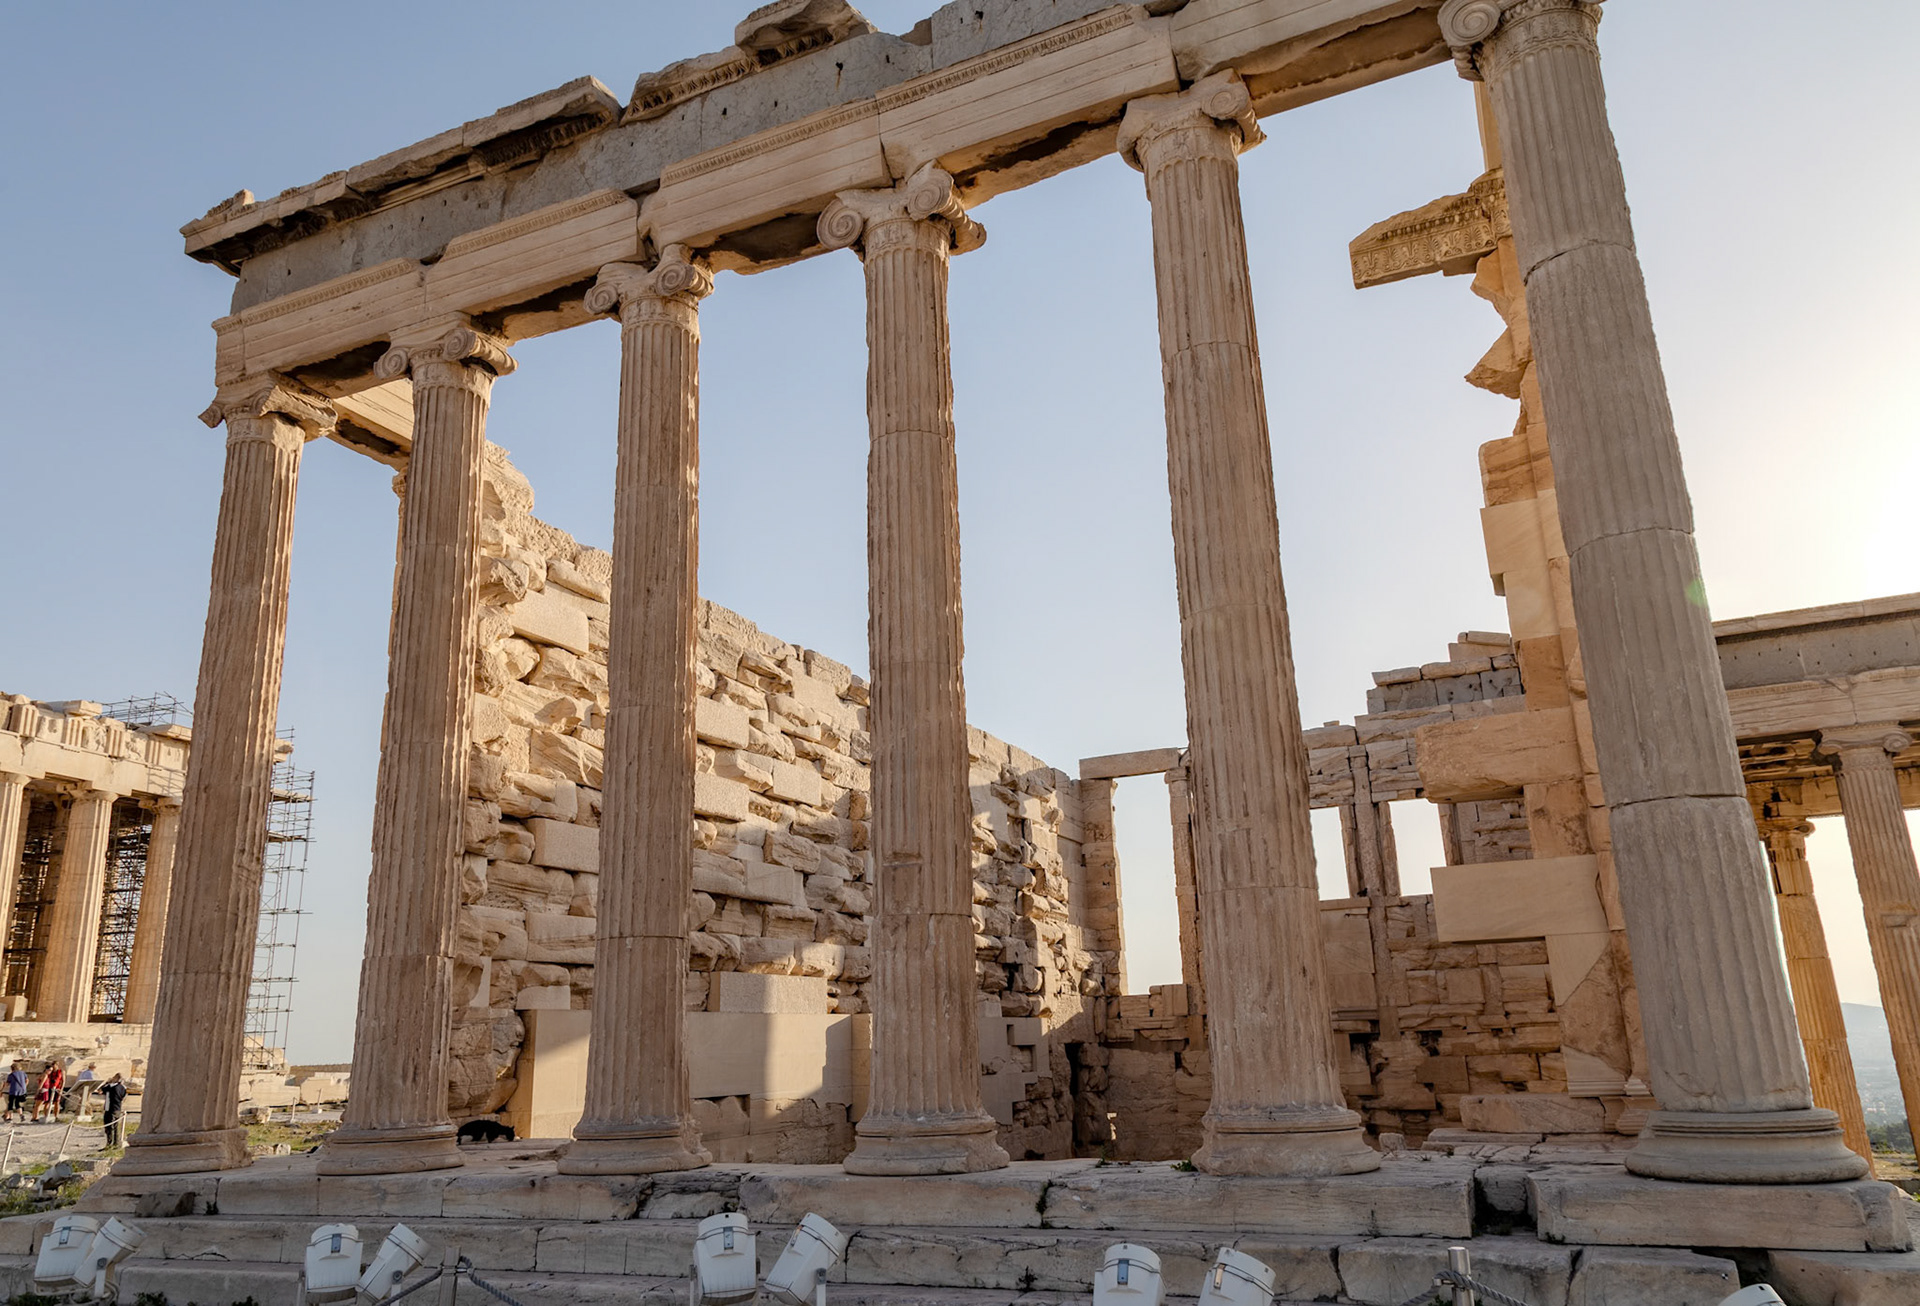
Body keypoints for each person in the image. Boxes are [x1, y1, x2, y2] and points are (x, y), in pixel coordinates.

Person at [99, 1074, 127, 1149]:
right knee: (115, 1126)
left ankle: (109, 1143)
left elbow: (101, 1089)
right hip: (118, 1108)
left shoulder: (111, 1087)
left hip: (110, 1108)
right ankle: (116, 1143)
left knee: (109, 1126)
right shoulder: (123, 1088)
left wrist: (108, 1082)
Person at [33, 1059, 64, 1123]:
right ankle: (45, 1115)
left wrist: (61, 1089)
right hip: (49, 1088)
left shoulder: (61, 1071)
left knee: (56, 1102)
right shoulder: (48, 1073)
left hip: (57, 1088)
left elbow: (63, 1081)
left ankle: (56, 1116)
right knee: (46, 1103)